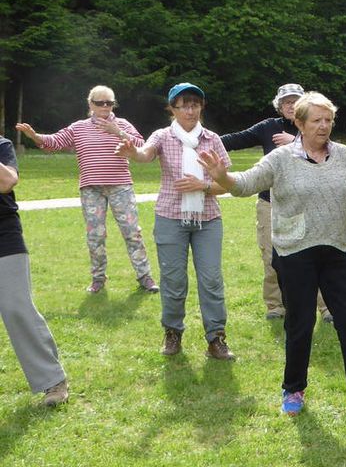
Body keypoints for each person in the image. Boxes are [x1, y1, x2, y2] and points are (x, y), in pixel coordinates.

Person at [199, 92, 346, 419]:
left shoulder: (343, 155)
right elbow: (245, 185)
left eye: (328, 120)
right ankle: (293, 390)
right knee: (300, 324)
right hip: (295, 252)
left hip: (337, 250)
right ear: (299, 123)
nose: (324, 126)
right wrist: (222, 177)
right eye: (316, 120)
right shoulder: (280, 159)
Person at [115, 83, 235, 361]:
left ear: (201, 107)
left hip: (207, 219)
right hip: (170, 217)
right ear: (173, 109)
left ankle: (216, 339)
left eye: (195, 104)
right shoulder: (163, 136)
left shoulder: (212, 139)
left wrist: (201, 186)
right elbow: (145, 154)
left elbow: (226, 183)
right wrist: (133, 153)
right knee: (173, 280)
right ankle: (172, 334)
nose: (190, 110)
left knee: (211, 280)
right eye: (184, 105)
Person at [16, 86, 158, 294]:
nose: (105, 107)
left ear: (113, 104)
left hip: (121, 186)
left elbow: (142, 146)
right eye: (100, 103)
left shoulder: (123, 124)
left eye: (109, 103)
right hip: (91, 189)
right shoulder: (79, 128)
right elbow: (55, 142)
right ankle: (98, 278)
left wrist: (117, 132)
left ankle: (145, 277)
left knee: (132, 232)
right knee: (95, 235)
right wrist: (35, 136)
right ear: (90, 104)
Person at [220, 83, 330, 323]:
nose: (291, 106)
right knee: (271, 256)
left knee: (316, 254)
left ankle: (326, 306)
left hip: (308, 203)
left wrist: (296, 140)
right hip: (270, 203)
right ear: (279, 107)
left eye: (296, 101)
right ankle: (275, 305)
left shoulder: (315, 127)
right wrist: (200, 138)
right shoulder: (268, 127)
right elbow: (234, 139)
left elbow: (330, 157)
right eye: (286, 102)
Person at [0, 135, 70, 406]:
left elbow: (6, 182)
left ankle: (53, 380)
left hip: (4, 236)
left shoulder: (3, 146)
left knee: (16, 306)